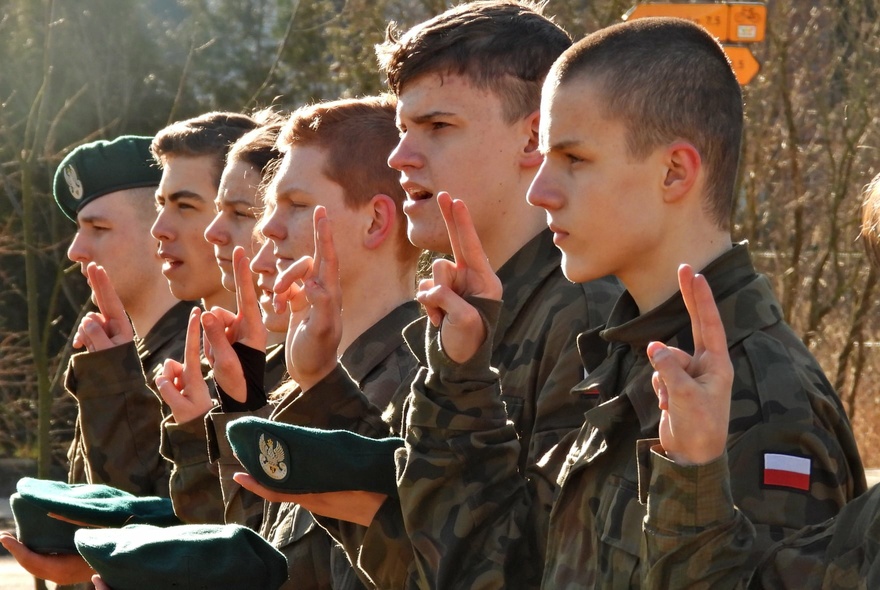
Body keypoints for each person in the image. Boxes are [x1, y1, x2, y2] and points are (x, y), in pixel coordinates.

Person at [393, 16, 865, 588]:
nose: (540, 191)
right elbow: (495, 574)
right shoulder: (628, 363)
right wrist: (460, 381)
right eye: (544, 157)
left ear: (674, 172)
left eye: (574, 159)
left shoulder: (763, 398)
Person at [236, 2, 622, 588]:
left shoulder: (586, 321)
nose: (401, 157)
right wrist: (320, 386)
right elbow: (400, 550)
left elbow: (532, 569)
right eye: (401, 130)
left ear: (533, 139)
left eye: (438, 127)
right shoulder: (450, 314)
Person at [161, 96, 423, 590]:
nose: (267, 229)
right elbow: (261, 558)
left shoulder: (427, 384)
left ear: (375, 221)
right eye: (269, 207)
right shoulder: (302, 382)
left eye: (297, 206)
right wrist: (240, 406)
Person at [639, 171, 880, 589]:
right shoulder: (868, 535)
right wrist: (694, 468)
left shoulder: (775, 398)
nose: (544, 194)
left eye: (577, 158)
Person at [0, 135, 188, 585]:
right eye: (78, 228)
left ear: (161, 231)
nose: (75, 250)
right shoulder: (122, 353)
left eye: (99, 229)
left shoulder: (202, 357)